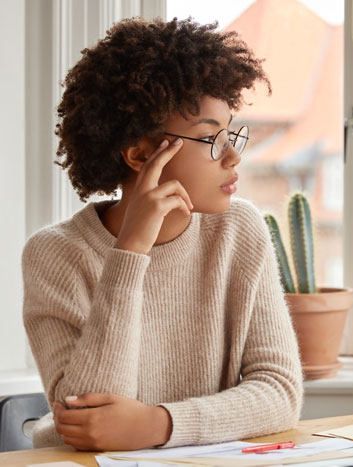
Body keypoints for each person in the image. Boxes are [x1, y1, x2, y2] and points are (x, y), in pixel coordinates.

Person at [21, 17, 303, 451]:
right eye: (210, 139)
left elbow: (280, 392)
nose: (232, 157)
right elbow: (87, 423)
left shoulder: (238, 229)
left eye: (232, 134)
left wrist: (160, 424)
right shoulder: (55, 255)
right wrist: (130, 253)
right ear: (140, 154)